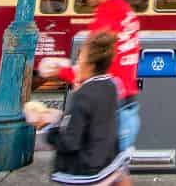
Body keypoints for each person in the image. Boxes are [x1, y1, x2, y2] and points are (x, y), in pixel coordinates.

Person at [40, 0, 140, 186]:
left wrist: (60, 71)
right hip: (126, 99)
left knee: (103, 171)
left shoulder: (106, 15)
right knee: (117, 170)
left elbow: (91, 61)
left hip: (110, 102)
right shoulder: (127, 12)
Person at [27, 32, 129, 185]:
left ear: (91, 65)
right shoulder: (112, 85)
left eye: (79, 60)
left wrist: (47, 127)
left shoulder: (83, 95)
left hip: (84, 172)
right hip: (106, 165)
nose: (76, 65)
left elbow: (70, 142)